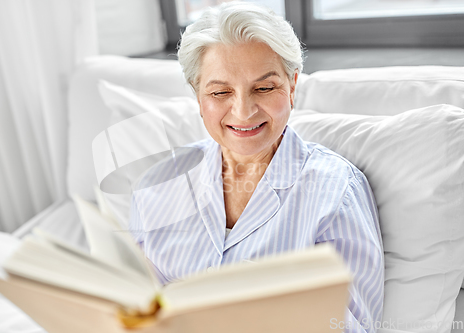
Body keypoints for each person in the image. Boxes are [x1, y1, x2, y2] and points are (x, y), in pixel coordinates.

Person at [129, 2, 384, 332]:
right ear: (198, 96)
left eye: (264, 88)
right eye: (220, 92)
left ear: (292, 87)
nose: (244, 111)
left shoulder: (336, 193)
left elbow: (355, 326)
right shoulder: (157, 185)